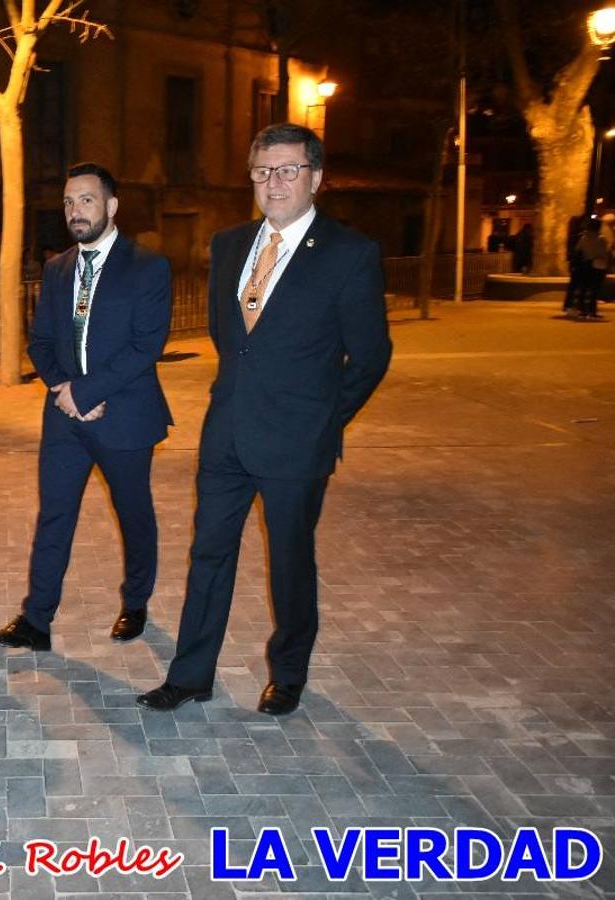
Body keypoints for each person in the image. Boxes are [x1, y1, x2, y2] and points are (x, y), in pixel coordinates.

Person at [138, 123, 392, 716]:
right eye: (261, 171)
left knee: (290, 562)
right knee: (208, 554)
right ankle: (192, 673)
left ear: (316, 178)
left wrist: (322, 420)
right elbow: (230, 339)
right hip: (227, 432)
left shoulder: (349, 254)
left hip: (297, 444)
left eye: (287, 170)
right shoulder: (229, 244)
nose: (273, 183)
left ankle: (289, 672)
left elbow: (372, 356)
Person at [0, 162, 173, 651]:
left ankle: (135, 602)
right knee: (54, 515)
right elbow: (40, 341)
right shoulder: (57, 268)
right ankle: (36, 621)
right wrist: (66, 392)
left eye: (85, 200)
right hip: (64, 418)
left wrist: (88, 394)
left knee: (133, 514)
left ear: (111, 205)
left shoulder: (148, 266)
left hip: (125, 416)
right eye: (68, 202)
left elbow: (146, 346)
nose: (75, 211)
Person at [571, 218, 610, 320]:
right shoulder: (601, 238)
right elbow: (604, 253)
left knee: (583, 288)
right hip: (597, 265)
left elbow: (577, 250)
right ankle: (592, 311)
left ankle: (582, 310)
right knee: (594, 290)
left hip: (586, 264)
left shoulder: (584, 238)